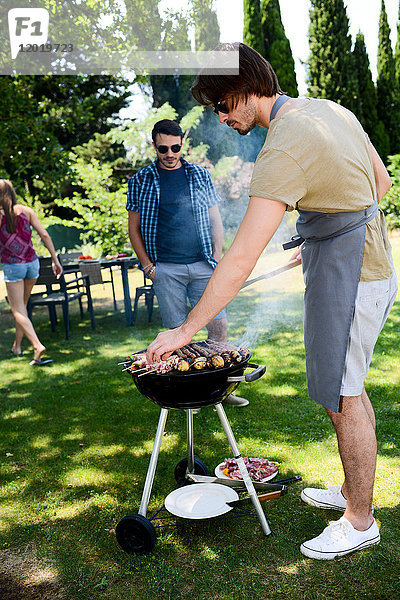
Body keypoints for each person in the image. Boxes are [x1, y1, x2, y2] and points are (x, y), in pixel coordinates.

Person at [146, 43, 397, 559]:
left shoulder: (282, 146)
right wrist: (327, 232)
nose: (221, 116)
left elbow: (237, 261)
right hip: (366, 265)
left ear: (241, 91)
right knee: (347, 388)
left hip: (352, 276)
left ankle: (360, 519)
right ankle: (355, 492)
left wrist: (183, 332)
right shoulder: (328, 109)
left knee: (342, 396)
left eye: (221, 105)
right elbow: (381, 183)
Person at [127, 118, 247, 407]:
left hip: (203, 263)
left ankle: (221, 390)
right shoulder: (140, 180)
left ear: (183, 145)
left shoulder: (199, 175)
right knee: (177, 332)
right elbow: (133, 228)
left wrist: (216, 258)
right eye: (163, 148)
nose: (170, 154)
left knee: (218, 326)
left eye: (175, 147)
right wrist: (148, 267)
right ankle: (187, 391)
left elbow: (214, 219)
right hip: (165, 268)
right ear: (154, 146)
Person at [0, 179, 63, 366]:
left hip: (13, 266)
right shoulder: (26, 211)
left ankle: (37, 345)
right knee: (23, 306)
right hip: (32, 264)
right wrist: (55, 259)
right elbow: (44, 235)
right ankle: (17, 346)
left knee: (17, 309)